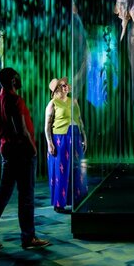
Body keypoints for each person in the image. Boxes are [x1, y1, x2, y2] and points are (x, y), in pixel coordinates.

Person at [0, 68, 51, 251]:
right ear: (12, 81)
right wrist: (33, 150)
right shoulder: (15, 100)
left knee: (2, 194)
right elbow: (22, 130)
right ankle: (28, 237)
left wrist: (6, 141)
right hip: (23, 153)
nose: (19, 79)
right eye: (17, 77)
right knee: (26, 196)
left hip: (7, 151)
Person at [45, 77, 88, 213]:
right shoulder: (53, 103)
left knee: (77, 168)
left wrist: (84, 135)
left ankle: (77, 199)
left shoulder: (73, 101)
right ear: (56, 90)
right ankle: (59, 203)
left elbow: (79, 119)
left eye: (66, 85)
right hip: (60, 137)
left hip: (75, 134)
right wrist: (49, 143)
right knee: (61, 170)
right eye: (62, 85)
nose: (66, 87)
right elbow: (47, 125)